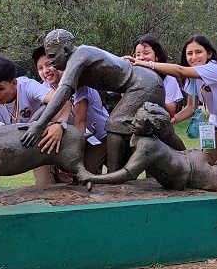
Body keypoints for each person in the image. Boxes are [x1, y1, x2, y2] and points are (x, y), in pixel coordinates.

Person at [20, 29, 186, 172]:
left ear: (65, 49)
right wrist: (33, 123)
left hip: (145, 83)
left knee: (114, 124)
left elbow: (63, 92)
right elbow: (57, 100)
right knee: (162, 131)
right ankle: (187, 156)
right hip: (144, 83)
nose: (52, 62)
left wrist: (39, 125)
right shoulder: (79, 60)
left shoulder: (79, 57)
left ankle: (114, 176)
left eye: (53, 56)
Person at [79, 102, 217, 192]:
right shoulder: (140, 135)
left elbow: (128, 173)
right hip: (190, 160)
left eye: (138, 122)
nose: (133, 123)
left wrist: (93, 177)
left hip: (193, 172)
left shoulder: (147, 145)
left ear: (150, 128)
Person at [124, 35, 217, 166]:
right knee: (205, 167)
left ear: (209, 53)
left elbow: (180, 71)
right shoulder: (193, 78)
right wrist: (172, 120)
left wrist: (145, 63)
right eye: (189, 53)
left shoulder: (216, 68)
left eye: (198, 52)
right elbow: (191, 107)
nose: (194, 57)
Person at [0, 54, 71, 186]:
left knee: (70, 182)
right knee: (44, 185)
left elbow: (63, 101)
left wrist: (60, 124)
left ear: (14, 83)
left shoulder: (27, 86)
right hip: (32, 148)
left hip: (49, 138)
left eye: (0, 89)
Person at [33, 46, 109, 175]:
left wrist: (75, 156)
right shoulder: (44, 89)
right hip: (80, 138)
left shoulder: (78, 81)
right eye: (40, 68)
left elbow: (81, 121)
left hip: (102, 136)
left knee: (89, 171)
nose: (45, 71)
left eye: (49, 65)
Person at [132, 35, 183, 116]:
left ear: (157, 56)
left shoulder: (168, 79)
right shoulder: (131, 78)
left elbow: (171, 112)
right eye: (138, 55)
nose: (141, 58)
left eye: (146, 53)